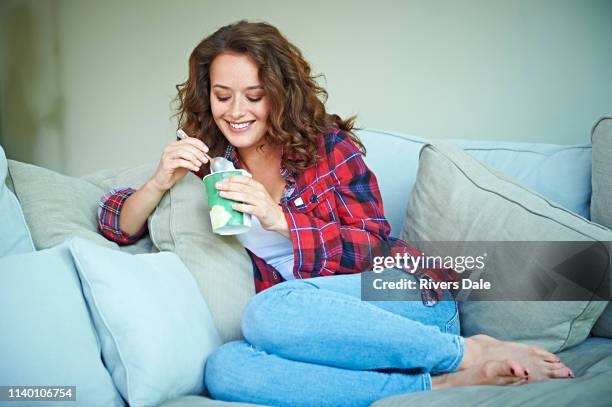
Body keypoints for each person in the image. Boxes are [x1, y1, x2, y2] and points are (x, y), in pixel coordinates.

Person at [98, 20, 573, 407]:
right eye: (223, 96)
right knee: (225, 369)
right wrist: (159, 181)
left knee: (267, 311)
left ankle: (467, 349)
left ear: (279, 93)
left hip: (406, 301)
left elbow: (374, 249)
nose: (236, 111)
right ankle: (440, 384)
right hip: (324, 330)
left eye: (254, 95)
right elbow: (115, 223)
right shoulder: (210, 161)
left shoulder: (327, 148)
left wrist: (279, 218)